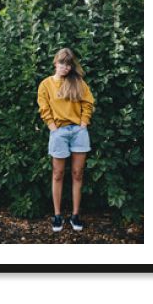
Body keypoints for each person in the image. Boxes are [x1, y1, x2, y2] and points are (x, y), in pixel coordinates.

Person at [37, 48, 95, 232]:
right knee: (58, 174)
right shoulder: (46, 84)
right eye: (62, 63)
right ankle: (57, 215)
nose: (65, 67)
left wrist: (84, 123)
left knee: (78, 174)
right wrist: (52, 127)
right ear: (55, 63)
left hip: (78, 131)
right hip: (58, 132)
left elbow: (88, 103)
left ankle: (75, 215)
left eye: (68, 65)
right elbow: (44, 107)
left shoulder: (78, 83)